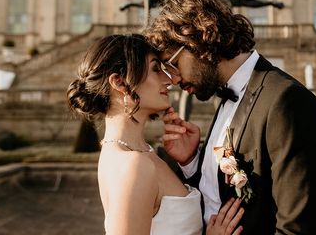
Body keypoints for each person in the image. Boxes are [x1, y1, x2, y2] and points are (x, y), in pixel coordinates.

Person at [144, 0, 316, 234]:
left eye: (173, 64)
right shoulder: (226, 94)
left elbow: (302, 229)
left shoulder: (288, 101)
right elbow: (217, 199)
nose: (173, 80)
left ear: (198, 40)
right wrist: (193, 162)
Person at [67, 34, 244, 235]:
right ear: (119, 82)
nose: (168, 80)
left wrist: (188, 160)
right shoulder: (134, 164)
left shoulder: (133, 153)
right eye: (155, 69)